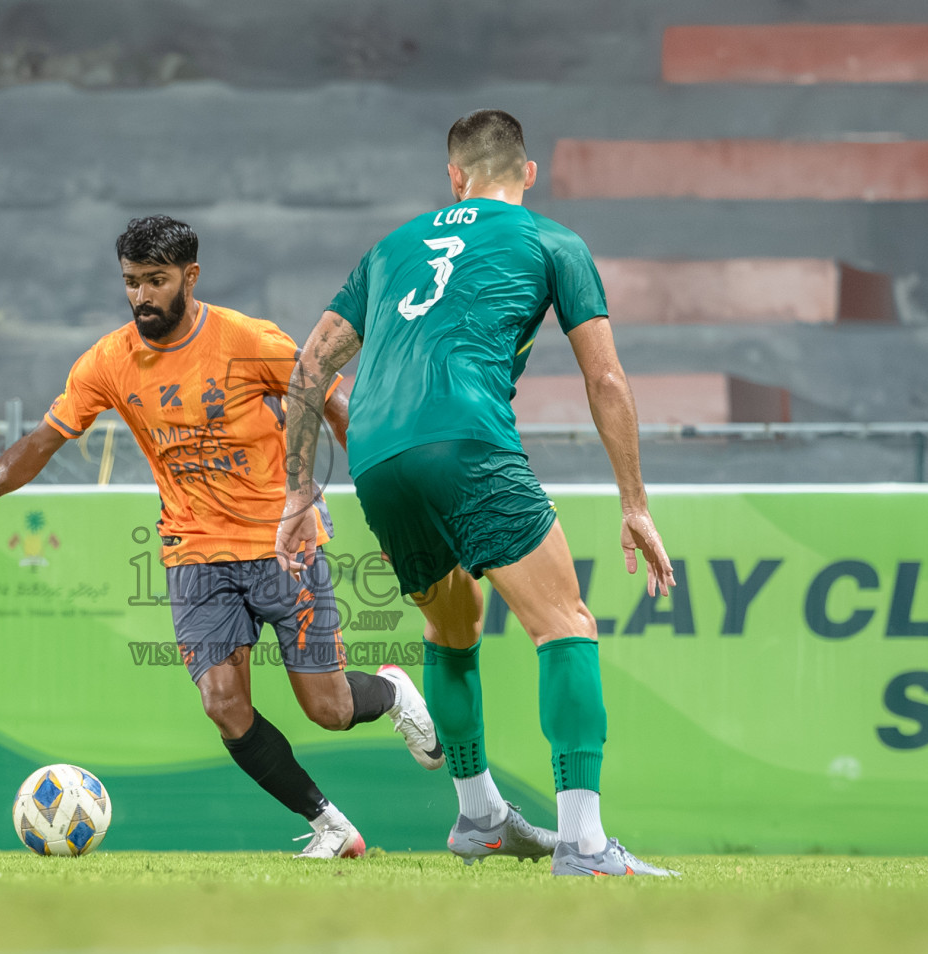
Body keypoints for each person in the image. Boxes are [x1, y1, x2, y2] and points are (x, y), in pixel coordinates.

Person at [0, 215, 443, 860]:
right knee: (223, 704)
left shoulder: (247, 341)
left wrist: (389, 505)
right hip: (194, 554)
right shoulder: (108, 360)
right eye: (131, 282)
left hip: (282, 545)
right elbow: (46, 437)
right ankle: (330, 825)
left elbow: (333, 403)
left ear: (191, 276)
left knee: (326, 707)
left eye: (155, 281)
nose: (141, 297)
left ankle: (392, 691)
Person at [276, 110, 678, 876]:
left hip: (378, 455)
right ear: (527, 173)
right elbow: (604, 377)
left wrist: (300, 492)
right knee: (565, 624)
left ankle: (480, 817)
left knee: (452, 626)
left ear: (452, 178)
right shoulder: (551, 240)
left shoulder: (390, 248)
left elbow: (308, 370)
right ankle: (585, 845)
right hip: (465, 441)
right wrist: (634, 503)